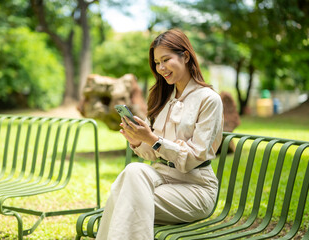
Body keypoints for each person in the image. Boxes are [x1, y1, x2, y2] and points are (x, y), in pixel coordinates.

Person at [96, 28, 224, 240]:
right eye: (157, 62)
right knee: (134, 170)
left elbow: (193, 158)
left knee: (125, 198)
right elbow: (152, 153)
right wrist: (139, 141)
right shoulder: (162, 97)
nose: (161, 68)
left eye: (166, 59)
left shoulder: (208, 99)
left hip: (194, 188)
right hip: (161, 178)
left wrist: (153, 140)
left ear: (185, 56)